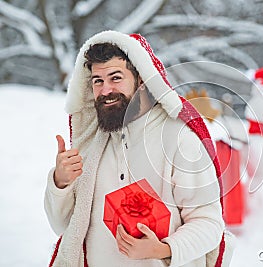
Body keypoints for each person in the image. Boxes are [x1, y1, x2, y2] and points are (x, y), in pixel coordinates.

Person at [44, 31, 229, 267]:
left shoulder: (178, 138)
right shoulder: (90, 143)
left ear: (141, 80)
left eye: (116, 78)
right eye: (98, 81)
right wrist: (61, 183)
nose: (105, 90)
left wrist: (163, 249)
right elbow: (63, 226)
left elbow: (209, 224)